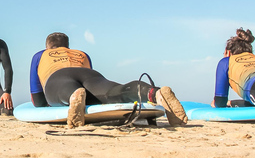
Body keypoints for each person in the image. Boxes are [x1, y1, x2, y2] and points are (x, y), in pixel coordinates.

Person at [30, 32, 188, 128]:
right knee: (116, 92)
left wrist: (46, 103)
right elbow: (91, 82)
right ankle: (155, 93)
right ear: (68, 46)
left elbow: (38, 99)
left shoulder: (40, 55)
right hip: (90, 76)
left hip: (58, 76)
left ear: (48, 46)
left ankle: (72, 95)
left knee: (67, 89)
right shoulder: (82, 54)